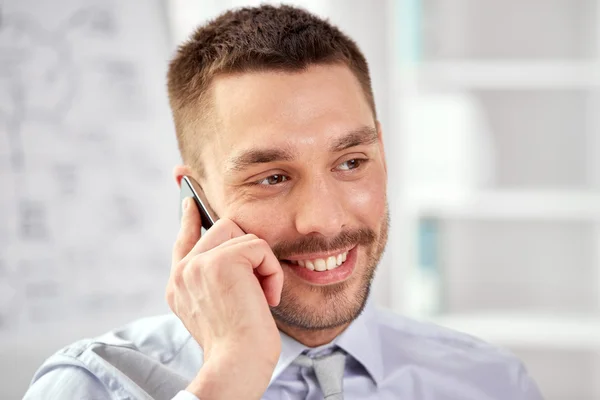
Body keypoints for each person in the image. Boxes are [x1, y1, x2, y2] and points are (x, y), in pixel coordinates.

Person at [24, 4, 543, 400]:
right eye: (272, 177)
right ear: (196, 199)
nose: (324, 220)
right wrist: (230, 372)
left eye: (351, 163)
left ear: (382, 153)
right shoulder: (89, 385)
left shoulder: (491, 382)